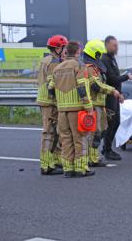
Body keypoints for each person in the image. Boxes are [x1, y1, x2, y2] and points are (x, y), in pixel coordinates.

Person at [48, 41, 94, 178]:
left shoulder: (57, 68)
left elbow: (50, 89)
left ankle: (68, 169)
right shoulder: (79, 66)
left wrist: (59, 103)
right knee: (79, 139)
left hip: (62, 110)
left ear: (66, 52)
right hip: (77, 110)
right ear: (78, 52)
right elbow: (81, 87)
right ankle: (80, 169)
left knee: (66, 140)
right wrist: (88, 106)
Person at [83, 39, 122, 167]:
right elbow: (95, 85)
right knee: (94, 132)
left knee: (101, 130)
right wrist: (112, 90)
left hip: (100, 103)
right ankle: (92, 158)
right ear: (96, 53)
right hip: (94, 104)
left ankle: (94, 156)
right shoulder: (89, 68)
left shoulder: (94, 67)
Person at [37, 35, 68, 175]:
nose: (65, 50)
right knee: (49, 133)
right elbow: (53, 83)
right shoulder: (54, 62)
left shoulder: (45, 59)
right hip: (50, 101)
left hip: (46, 100)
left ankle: (54, 161)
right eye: (64, 48)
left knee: (55, 132)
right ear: (57, 48)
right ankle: (47, 166)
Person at [101, 35, 132, 160]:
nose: (116, 47)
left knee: (116, 122)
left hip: (115, 95)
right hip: (109, 96)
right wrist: (127, 77)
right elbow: (112, 79)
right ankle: (107, 150)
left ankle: (106, 148)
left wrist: (120, 93)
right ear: (107, 45)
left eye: (117, 45)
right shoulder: (105, 59)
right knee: (111, 123)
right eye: (114, 45)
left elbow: (115, 79)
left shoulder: (112, 58)